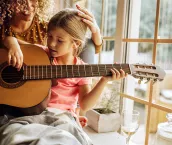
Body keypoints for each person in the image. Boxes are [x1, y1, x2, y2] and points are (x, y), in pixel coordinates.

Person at [0, 0, 102, 127]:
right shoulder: (42, 53)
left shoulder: (82, 69)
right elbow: (9, 39)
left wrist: (104, 80)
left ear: (76, 43)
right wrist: (13, 44)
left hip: (62, 117)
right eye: (49, 37)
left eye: (59, 41)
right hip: (36, 115)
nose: (52, 44)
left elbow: (85, 104)